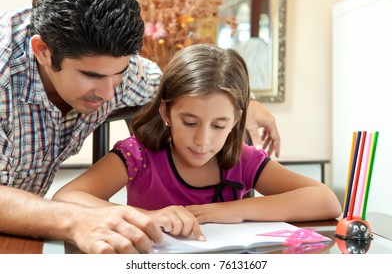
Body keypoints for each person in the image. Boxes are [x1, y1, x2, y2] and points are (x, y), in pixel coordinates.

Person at [0, 0, 280, 254]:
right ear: (43, 51)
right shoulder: (4, 68)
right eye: (91, 75)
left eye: (119, 72)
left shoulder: (122, 69)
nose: (109, 93)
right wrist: (75, 219)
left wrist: (247, 102)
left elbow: (183, 88)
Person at [53, 44, 342, 244]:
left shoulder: (243, 159)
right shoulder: (137, 155)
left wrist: (234, 210)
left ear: (235, 119)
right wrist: (148, 217)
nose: (203, 141)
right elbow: (66, 198)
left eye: (218, 125)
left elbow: (326, 201)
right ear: (166, 113)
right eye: (189, 123)